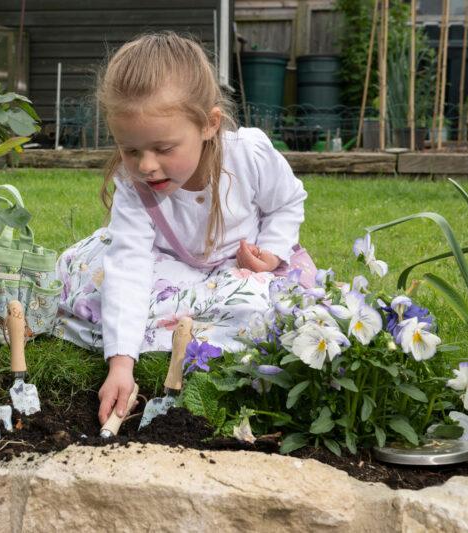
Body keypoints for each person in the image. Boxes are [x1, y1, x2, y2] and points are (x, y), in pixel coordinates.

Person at [53, 32, 307, 426]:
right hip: (165, 265)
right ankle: (161, 331)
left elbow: (287, 203)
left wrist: (272, 252)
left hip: (236, 269)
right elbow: (130, 264)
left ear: (209, 124)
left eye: (163, 148)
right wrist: (121, 364)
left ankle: (189, 324)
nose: (146, 165)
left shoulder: (250, 155)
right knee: (106, 286)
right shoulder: (133, 186)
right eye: (130, 149)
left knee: (263, 307)